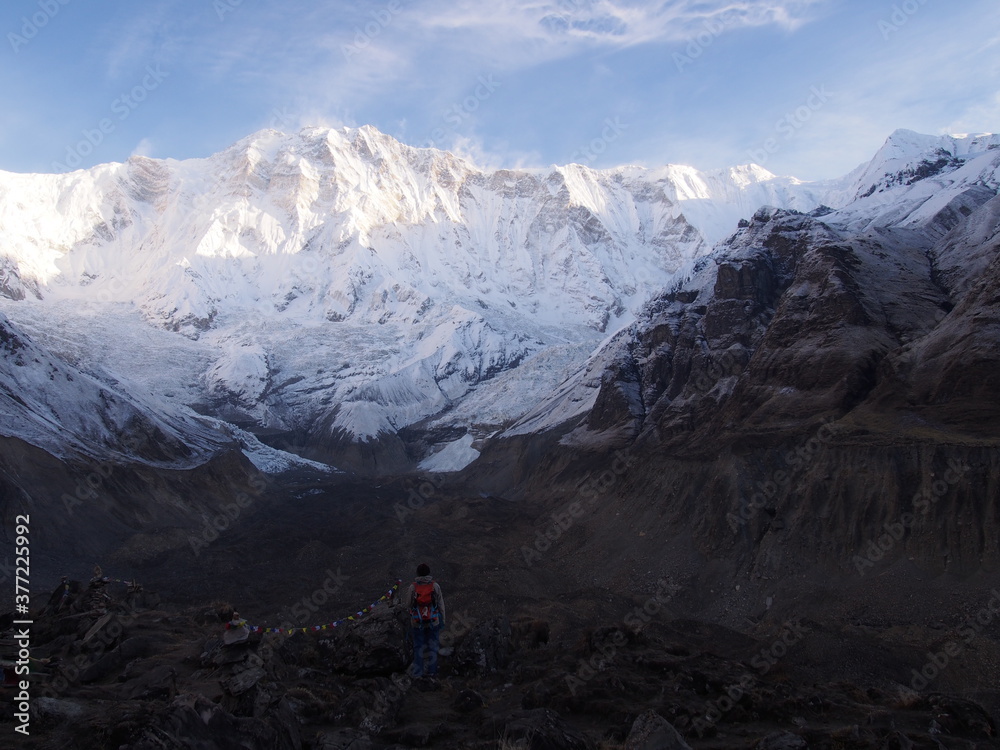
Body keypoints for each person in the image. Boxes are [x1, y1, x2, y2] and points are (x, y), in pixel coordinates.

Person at [401, 563, 446, 678]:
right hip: (433, 621)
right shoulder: (435, 586)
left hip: (417, 622)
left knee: (418, 647)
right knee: (433, 646)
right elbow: (441, 604)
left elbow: (408, 604)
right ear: (428, 573)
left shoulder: (413, 587)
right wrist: (443, 619)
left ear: (417, 573)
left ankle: (418, 673)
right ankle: (432, 672)